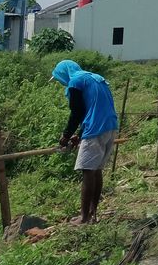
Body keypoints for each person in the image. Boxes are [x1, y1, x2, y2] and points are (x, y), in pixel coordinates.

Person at [51, 59, 119, 224]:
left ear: (63, 73)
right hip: (110, 126)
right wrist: (80, 135)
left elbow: (77, 112)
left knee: (88, 171)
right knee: (96, 170)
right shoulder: (94, 77)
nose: (62, 83)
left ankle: (84, 218)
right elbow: (92, 109)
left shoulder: (75, 82)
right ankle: (92, 213)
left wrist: (66, 136)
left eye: (60, 79)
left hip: (96, 128)